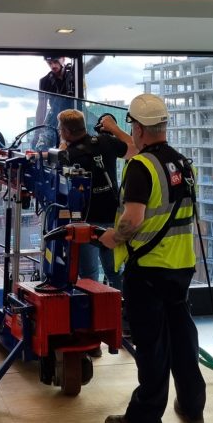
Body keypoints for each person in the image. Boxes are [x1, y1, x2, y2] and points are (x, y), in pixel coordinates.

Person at [99, 93, 206, 423]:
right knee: (182, 338)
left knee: (151, 346)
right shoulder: (182, 165)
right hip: (181, 266)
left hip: (148, 268)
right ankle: (193, 407)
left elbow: (133, 218)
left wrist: (112, 237)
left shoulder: (141, 167)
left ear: (140, 129)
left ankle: (145, 418)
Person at [57, 109, 134, 291]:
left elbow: (56, 168)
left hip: (85, 223)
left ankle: (92, 314)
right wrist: (114, 128)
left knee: (89, 276)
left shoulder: (69, 155)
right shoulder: (105, 142)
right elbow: (133, 149)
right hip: (111, 216)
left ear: (67, 132)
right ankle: (122, 310)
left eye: (61, 129)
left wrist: (62, 146)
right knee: (114, 271)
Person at [35, 56, 75, 147]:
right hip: (56, 119)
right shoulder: (44, 81)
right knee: (41, 146)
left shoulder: (74, 74)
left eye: (55, 61)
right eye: (49, 63)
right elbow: (41, 108)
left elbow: (96, 60)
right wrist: (37, 132)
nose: (53, 65)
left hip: (75, 117)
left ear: (63, 59)